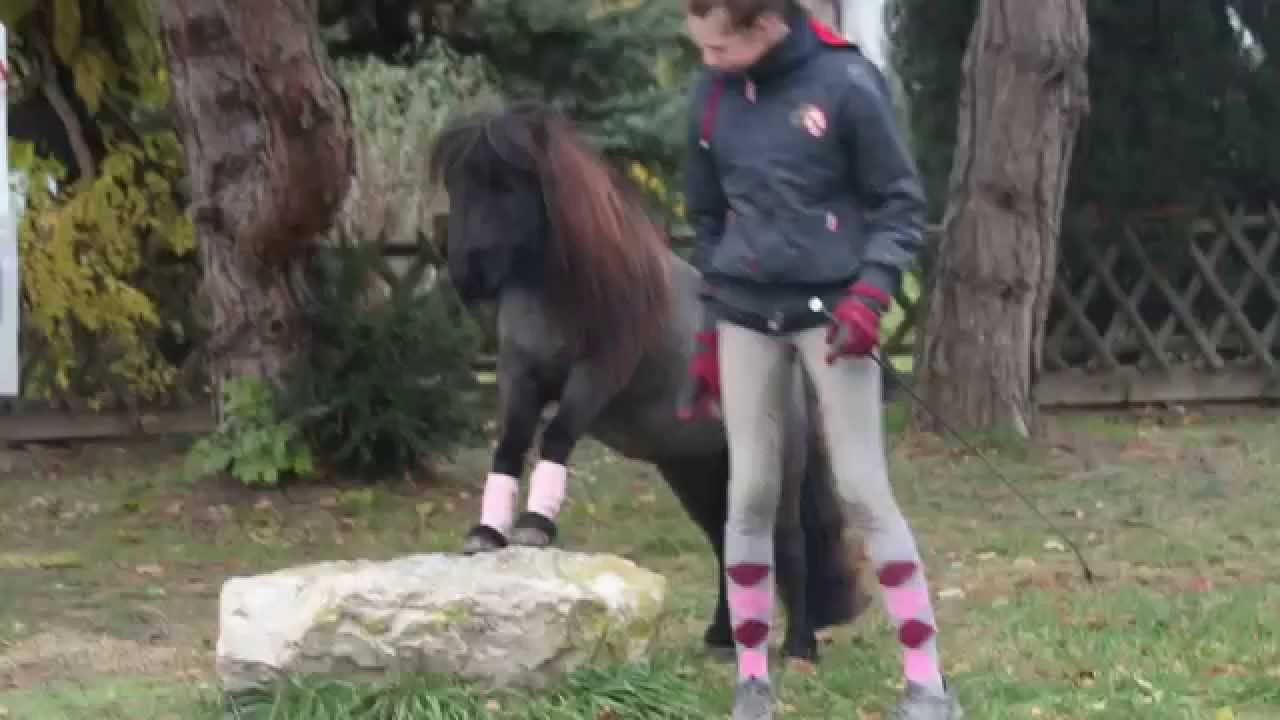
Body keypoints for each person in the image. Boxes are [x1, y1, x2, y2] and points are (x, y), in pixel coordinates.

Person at [678, 1, 965, 718]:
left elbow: (899, 204)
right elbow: (705, 215)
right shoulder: (710, 96)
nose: (707, 62)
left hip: (835, 317)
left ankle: (927, 684)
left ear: (767, 25)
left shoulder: (846, 83)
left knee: (863, 489)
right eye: (700, 47)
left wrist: (870, 295)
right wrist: (712, 327)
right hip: (745, 314)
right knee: (750, 492)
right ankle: (752, 681)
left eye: (719, 48)